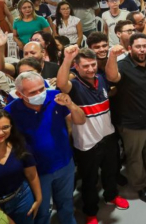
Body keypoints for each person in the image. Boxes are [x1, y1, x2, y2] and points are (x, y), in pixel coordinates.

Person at [55, 46, 128, 223]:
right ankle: (91, 211)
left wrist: (112, 55)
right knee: (89, 180)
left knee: (111, 171)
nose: (90, 69)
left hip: (108, 136)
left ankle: (111, 196)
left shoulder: (101, 79)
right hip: (87, 143)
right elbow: (61, 84)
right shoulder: (75, 85)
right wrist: (67, 58)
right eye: (85, 66)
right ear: (77, 67)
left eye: (93, 64)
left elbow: (113, 77)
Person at [5, 71, 86, 224]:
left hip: (64, 164)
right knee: (41, 211)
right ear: (19, 94)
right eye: (33, 92)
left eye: (42, 89)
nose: (40, 94)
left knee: (66, 204)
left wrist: (70, 104)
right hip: (37, 172)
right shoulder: (10, 112)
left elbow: (80, 120)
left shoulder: (56, 97)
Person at [105, 34, 146, 204]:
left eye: (144, 46)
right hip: (132, 124)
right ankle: (140, 185)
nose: (142, 50)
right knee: (135, 157)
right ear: (130, 49)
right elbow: (112, 77)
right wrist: (112, 55)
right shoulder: (123, 66)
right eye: (138, 47)